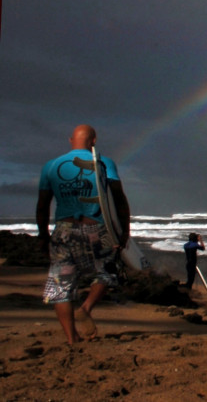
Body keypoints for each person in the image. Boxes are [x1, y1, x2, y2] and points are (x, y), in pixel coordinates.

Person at [36, 124, 130, 345]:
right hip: (97, 228)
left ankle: (72, 338)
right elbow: (119, 199)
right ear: (94, 140)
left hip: (64, 231)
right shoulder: (105, 164)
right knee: (109, 271)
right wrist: (124, 231)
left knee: (61, 286)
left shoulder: (51, 166)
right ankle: (86, 308)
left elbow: (42, 206)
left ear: (71, 140)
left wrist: (43, 235)